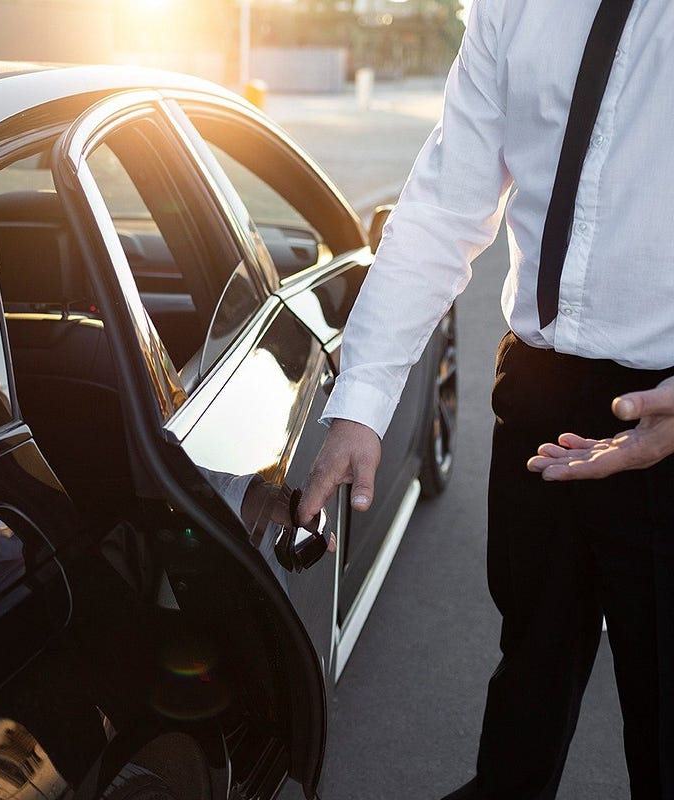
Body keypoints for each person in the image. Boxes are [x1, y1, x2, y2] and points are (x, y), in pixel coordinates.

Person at [297, 1, 674, 797]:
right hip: (539, 395)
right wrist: (361, 404)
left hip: (667, 407)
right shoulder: (512, 7)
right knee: (530, 670)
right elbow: (443, 206)